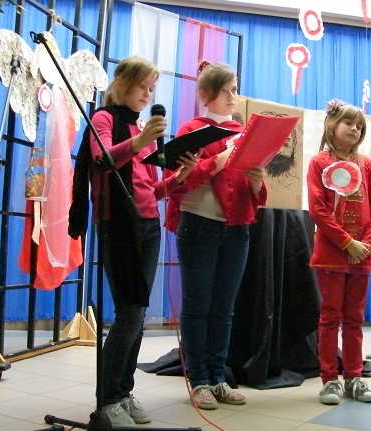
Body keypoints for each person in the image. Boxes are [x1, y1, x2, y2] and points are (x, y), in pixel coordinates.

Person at [69, 56, 200, 426]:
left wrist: (179, 176)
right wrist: (142, 140)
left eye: (152, 88)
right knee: (128, 313)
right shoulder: (104, 119)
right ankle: (109, 398)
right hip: (118, 225)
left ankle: (123, 392)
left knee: (137, 315)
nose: (147, 93)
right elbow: (102, 159)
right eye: (143, 85)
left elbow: (150, 190)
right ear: (123, 83)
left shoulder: (139, 128)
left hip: (148, 225)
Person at [164, 60, 267, 410]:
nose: (233, 97)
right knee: (197, 307)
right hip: (199, 225)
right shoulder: (191, 130)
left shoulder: (242, 131)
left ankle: (219, 376)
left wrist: (256, 181)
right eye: (226, 91)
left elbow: (256, 192)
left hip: (236, 228)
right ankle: (199, 380)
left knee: (224, 308)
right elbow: (180, 182)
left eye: (235, 90)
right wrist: (221, 159)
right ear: (207, 95)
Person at [306, 99, 371, 405]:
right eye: (349, 123)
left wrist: (364, 245)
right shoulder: (319, 163)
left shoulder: (367, 165)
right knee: (330, 317)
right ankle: (329, 380)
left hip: (362, 255)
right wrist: (346, 243)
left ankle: (354, 377)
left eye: (359, 126)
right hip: (331, 255)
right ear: (331, 126)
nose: (355, 129)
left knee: (354, 318)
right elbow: (318, 209)